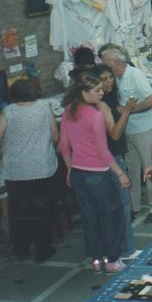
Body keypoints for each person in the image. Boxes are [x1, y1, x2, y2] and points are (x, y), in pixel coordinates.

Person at [58, 72, 130, 273]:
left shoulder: (68, 111)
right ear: (84, 92)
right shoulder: (95, 115)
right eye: (97, 90)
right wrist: (121, 174)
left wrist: (69, 169)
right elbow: (102, 151)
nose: (101, 93)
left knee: (89, 217)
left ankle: (96, 259)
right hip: (98, 174)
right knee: (112, 215)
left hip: (78, 173)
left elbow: (64, 146)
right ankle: (112, 260)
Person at [0, 79, 59, 263]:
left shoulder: (8, 111)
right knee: (43, 210)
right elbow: (55, 137)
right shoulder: (44, 108)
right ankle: (42, 250)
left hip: (16, 170)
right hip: (42, 167)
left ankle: (21, 250)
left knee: (18, 211)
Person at [101, 46, 152, 223]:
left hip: (144, 129)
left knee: (150, 168)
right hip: (128, 131)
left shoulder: (134, 75)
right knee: (132, 170)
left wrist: (129, 110)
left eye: (105, 62)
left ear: (115, 62)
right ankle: (134, 206)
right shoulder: (116, 80)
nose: (102, 65)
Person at [93, 64, 140, 260]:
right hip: (112, 157)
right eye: (103, 79)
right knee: (122, 204)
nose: (108, 82)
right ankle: (128, 250)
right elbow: (115, 134)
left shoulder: (106, 102)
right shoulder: (101, 105)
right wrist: (127, 111)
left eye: (110, 77)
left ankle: (114, 249)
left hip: (106, 158)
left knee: (113, 206)